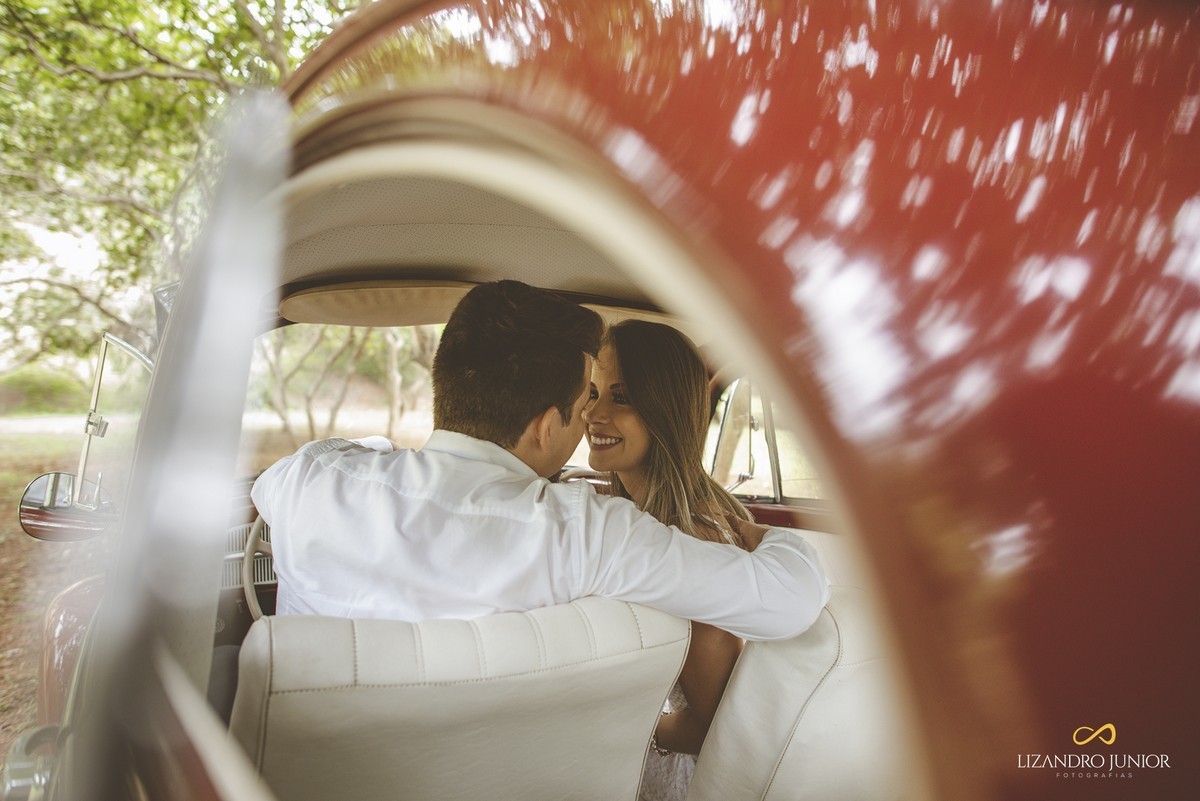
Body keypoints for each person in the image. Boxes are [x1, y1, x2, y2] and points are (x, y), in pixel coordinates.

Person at [251, 279, 828, 642]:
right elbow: (790, 601)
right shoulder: (586, 535)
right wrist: (763, 538)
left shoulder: (310, 475)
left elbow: (265, 493)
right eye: (586, 403)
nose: (593, 419)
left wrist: (372, 458)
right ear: (547, 426)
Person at [582, 320, 757, 801]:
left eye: (622, 396)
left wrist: (626, 725)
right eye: (592, 393)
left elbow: (711, 724)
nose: (593, 413)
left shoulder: (694, 540)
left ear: (665, 409)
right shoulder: (631, 516)